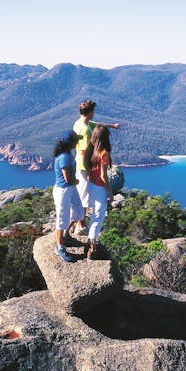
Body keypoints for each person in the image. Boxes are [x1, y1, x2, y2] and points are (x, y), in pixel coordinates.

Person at [71, 99, 119, 235]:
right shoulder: (85, 130)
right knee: (83, 195)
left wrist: (112, 126)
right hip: (83, 166)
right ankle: (80, 225)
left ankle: (80, 223)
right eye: (93, 111)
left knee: (84, 194)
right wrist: (90, 168)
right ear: (90, 112)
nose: (94, 114)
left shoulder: (79, 122)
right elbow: (84, 152)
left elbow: (98, 125)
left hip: (80, 163)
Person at [52, 129, 82, 262]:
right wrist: (77, 181)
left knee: (78, 212)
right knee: (62, 219)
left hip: (70, 189)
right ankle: (59, 247)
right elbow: (67, 179)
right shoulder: (64, 157)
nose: (77, 142)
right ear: (70, 143)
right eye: (76, 141)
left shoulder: (68, 153)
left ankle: (66, 235)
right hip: (63, 190)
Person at [84, 125, 113, 259]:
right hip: (99, 187)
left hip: (90, 184)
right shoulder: (104, 153)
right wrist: (110, 192)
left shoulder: (92, 150)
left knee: (94, 214)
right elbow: (103, 176)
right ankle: (92, 247)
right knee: (99, 216)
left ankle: (90, 241)